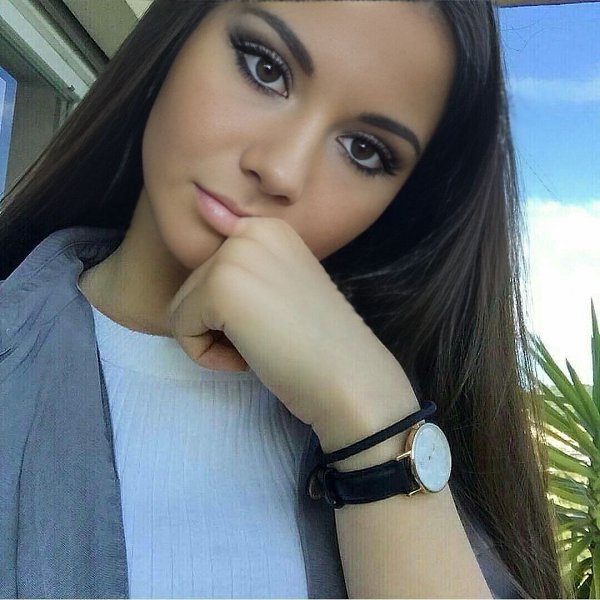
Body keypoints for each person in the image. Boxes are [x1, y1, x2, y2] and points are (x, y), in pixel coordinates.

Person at [0, 0, 564, 597]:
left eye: (364, 150)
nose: (282, 170)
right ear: (175, 39)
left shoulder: (428, 449)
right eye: (265, 68)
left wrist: (375, 419)